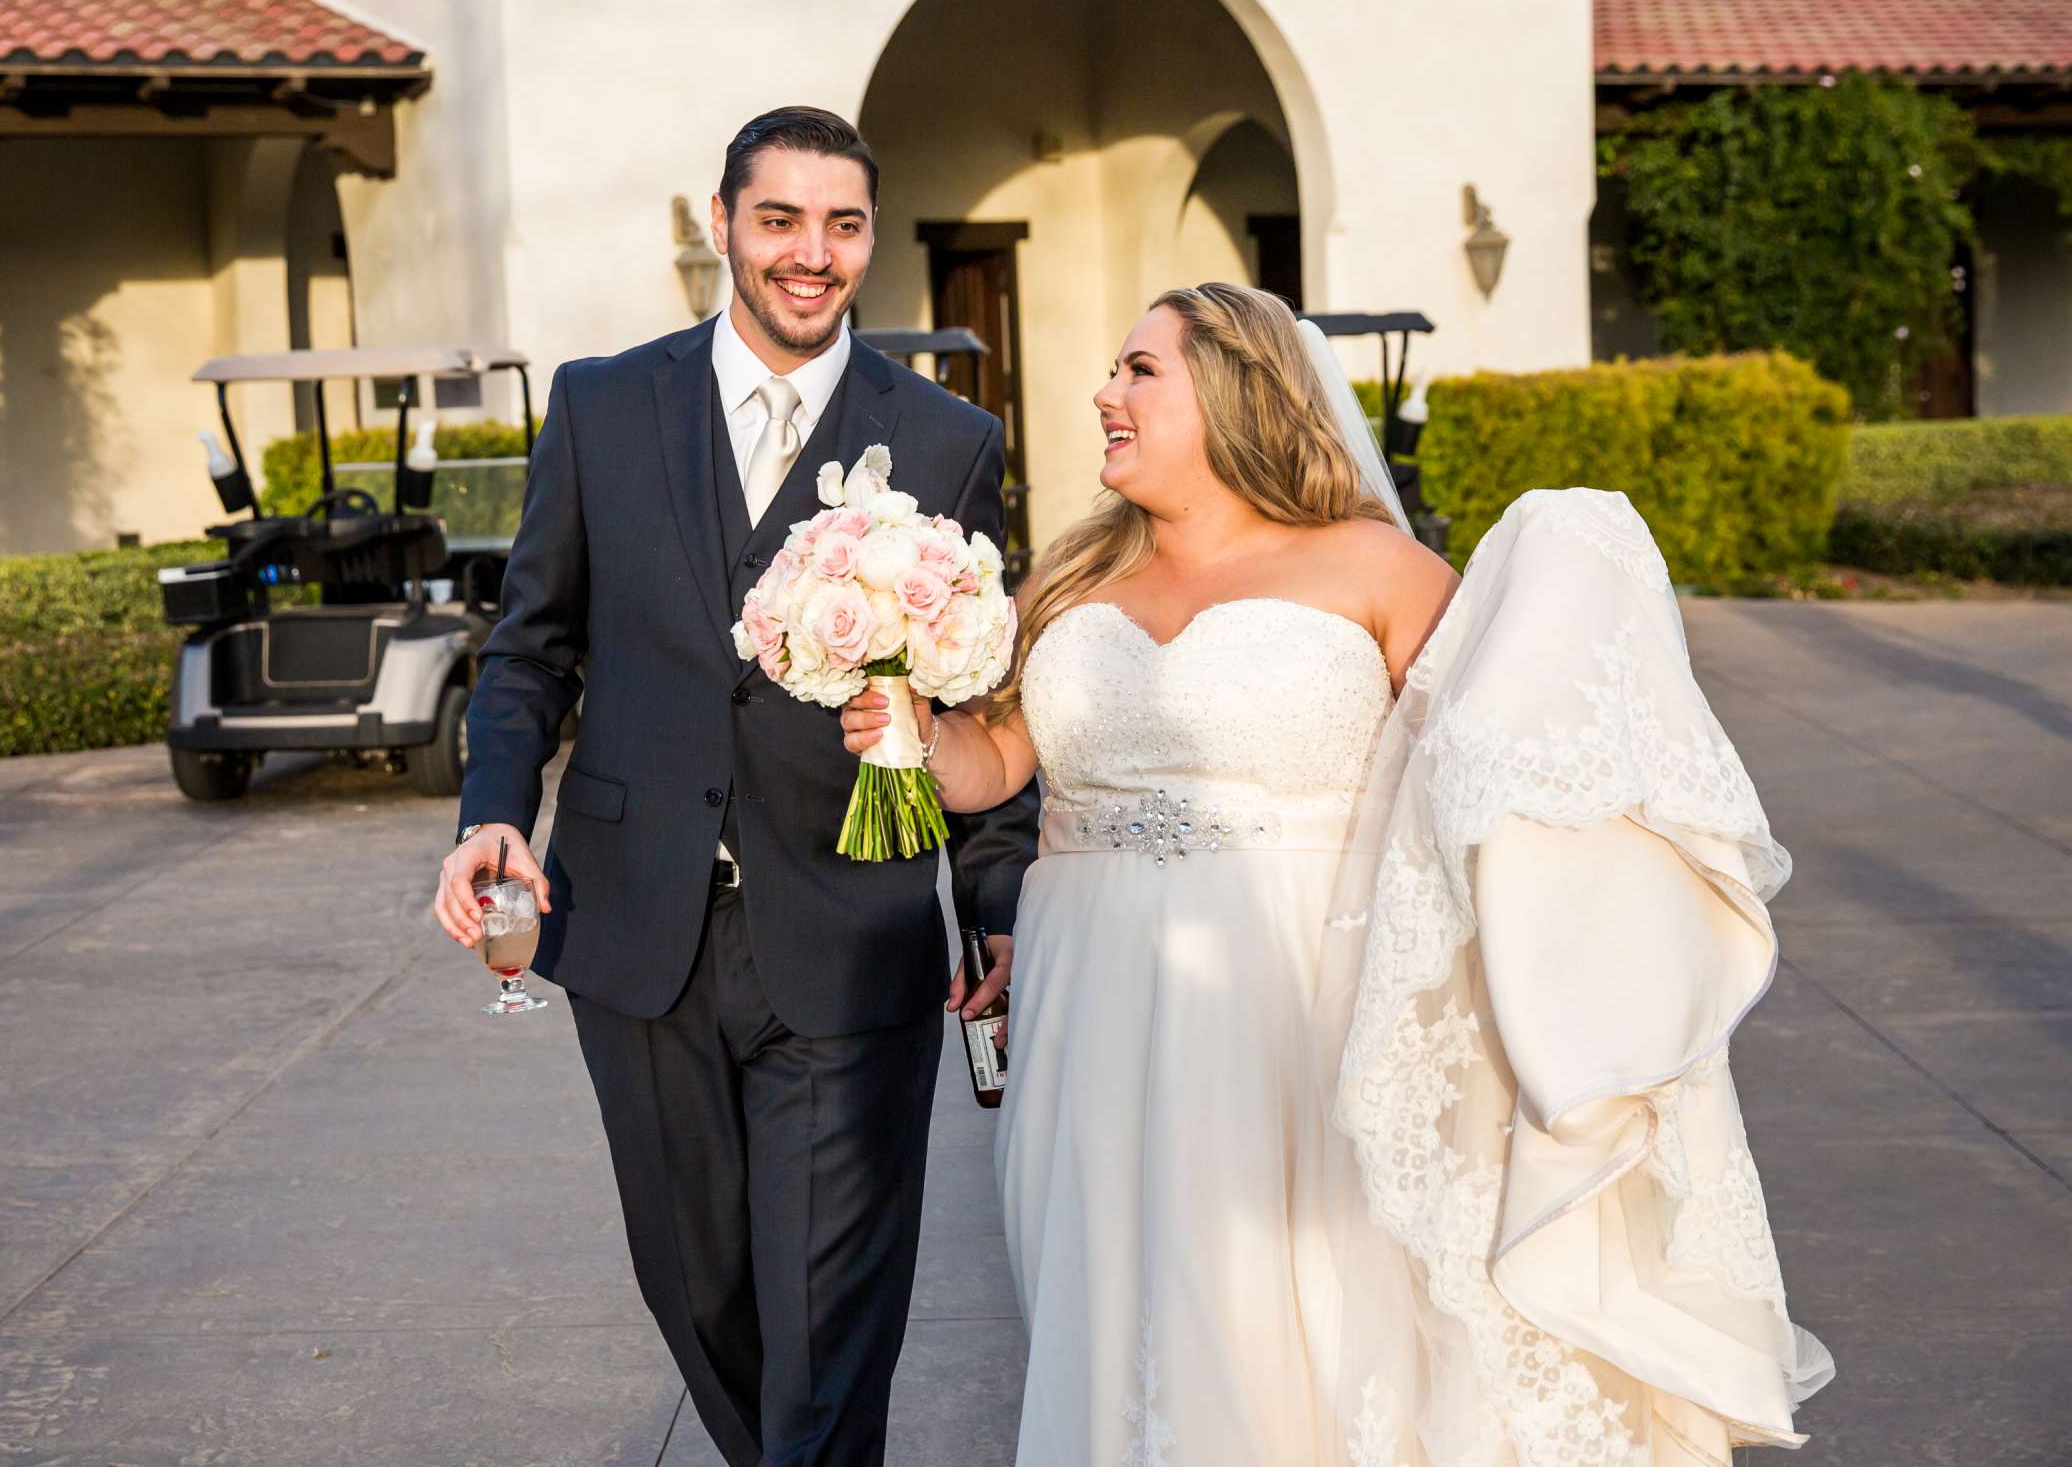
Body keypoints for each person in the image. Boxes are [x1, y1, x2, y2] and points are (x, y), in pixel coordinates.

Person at [841, 283, 1830, 1464]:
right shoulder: (1068, 580)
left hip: (1294, 994)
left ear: (1234, 388)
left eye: (1138, 369)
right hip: (1090, 997)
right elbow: (997, 760)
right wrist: (905, 721)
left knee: (1291, 1305)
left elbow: (1479, 771)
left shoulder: (1377, 568)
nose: (1103, 393)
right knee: (1103, 1289)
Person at [434, 106, 1040, 1467]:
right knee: (698, 1287)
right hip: (636, 925)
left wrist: (999, 900)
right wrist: (492, 814)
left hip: (852, 930)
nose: (810, 254)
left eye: (843, 224)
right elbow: (531, 648)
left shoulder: (945, 440)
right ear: (723, 225)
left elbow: (979, 681)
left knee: (828, 1320)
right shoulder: (601, 403)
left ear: (870, 239)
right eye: (780, 220)